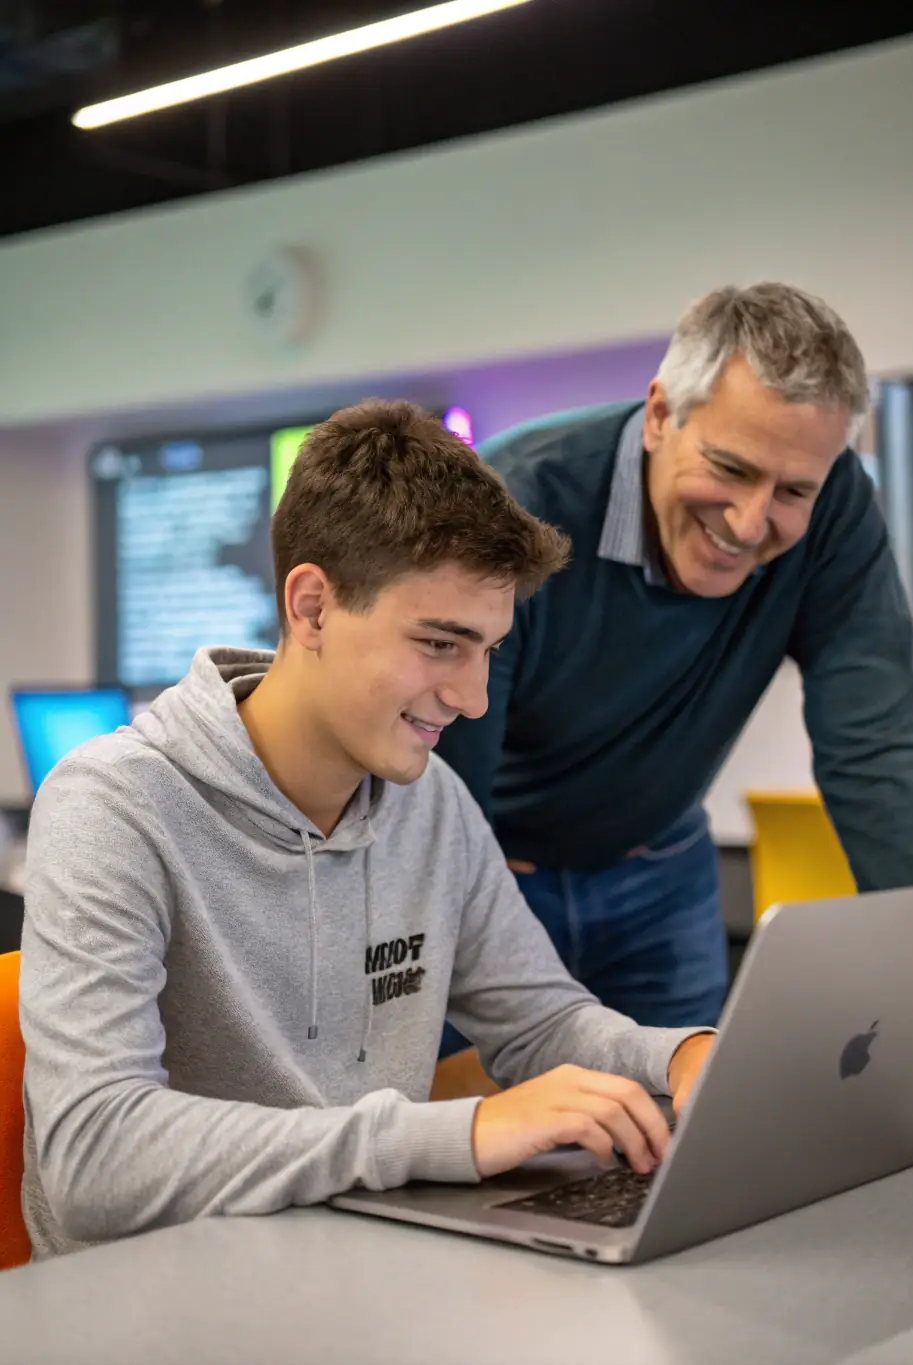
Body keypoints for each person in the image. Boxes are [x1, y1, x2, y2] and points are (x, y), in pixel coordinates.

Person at [18, 401, 718, 1260]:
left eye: (488, 650)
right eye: (439, 643)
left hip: (363, 1266)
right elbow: (94, 1160)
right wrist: (449, 1137)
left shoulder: (434, 806)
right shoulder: (112, 806)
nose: (474, 699)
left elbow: (540, 1022)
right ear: (311, 607)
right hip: (160, 1306)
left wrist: (682, 1054)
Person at [434, 282, 913, 1114]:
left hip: (658, 871)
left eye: (792, 490)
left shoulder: (837, 511)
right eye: (730, 468)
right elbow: (437, 773)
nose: (752, 523)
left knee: (697, 1147)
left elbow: (877, 753)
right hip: (489, 874)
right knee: (473, 1150)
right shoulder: (518, 501)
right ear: (660, 415)